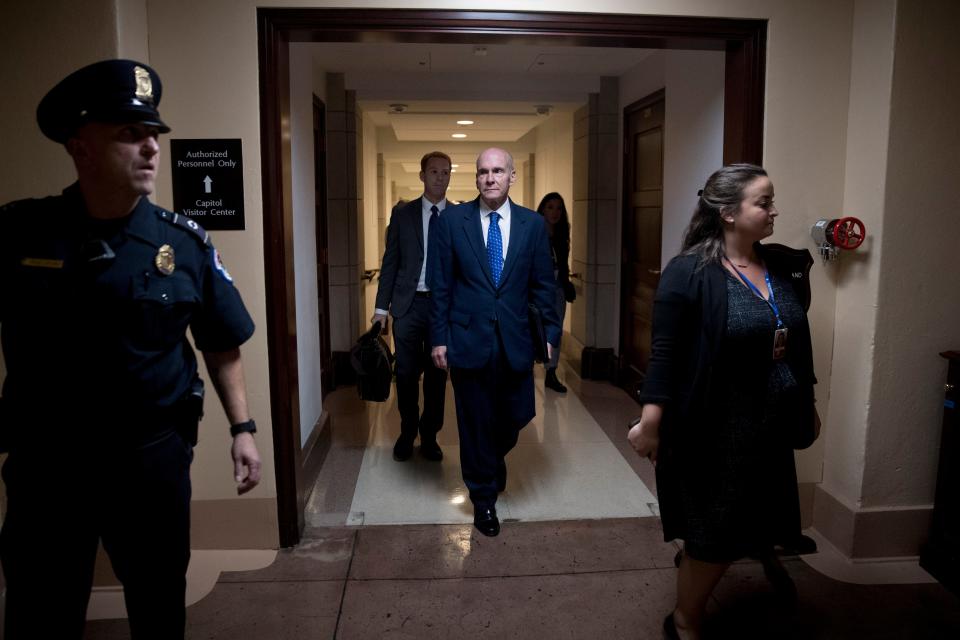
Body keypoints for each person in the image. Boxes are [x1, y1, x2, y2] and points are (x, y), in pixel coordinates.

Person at [0, 59, 262, 639]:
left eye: (153, 136)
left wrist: (243, 428)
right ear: (80, 147)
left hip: (150, 461)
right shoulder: (21, 234)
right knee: (39, 607)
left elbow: (220, 342)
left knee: (159, 601)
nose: (150, 149)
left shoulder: (182, 243)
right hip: (49, 464)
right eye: (129, 134)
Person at [627, 164, 820, 639]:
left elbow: (796, 342)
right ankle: (685, 620)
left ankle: (715, 561)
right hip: (713, 430)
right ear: (729, 213)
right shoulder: (689, 272)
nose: (774, 210)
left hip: (769, 425)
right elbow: (665, 354)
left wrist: (806, 400)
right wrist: (651, 422)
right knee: (712, 537)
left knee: (753, 520)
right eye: (764, 202)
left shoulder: (779, 266)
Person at [429, 148, 560, 537]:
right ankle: (483, 501)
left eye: (498, 170)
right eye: (483, 171)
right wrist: (438, 338)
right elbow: (441, 286)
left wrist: (551, 335)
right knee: (473, 423)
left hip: (515, 340)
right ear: (476, 178)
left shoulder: (533, 225)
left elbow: (543, 287)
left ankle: (494, 454)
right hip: (468, 339)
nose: (490, 178)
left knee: (516, 416)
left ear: (511, 177)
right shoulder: (453, 221)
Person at [372, 151, 452, 462]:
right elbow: (390, 262)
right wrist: (381, 309)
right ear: (422, 176)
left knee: (437, 375)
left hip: (441, 309)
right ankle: (407, 432)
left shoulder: (458, 217)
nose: (440, 177)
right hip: (407, 306)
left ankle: (430, 435)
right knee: (405, 374)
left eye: (445, 172)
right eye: (434, 172)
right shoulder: (403, 215)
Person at [535, 192, 575, 393]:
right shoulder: (534, 230)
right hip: (536, 288)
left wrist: (566, 283)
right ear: (542, 209)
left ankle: (551, 372)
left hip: (557, 288)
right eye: (550, 207)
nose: (555, 212)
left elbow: (562, 262)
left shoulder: (561, 232)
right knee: (532, 328)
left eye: (559, 208)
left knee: (555, 330)